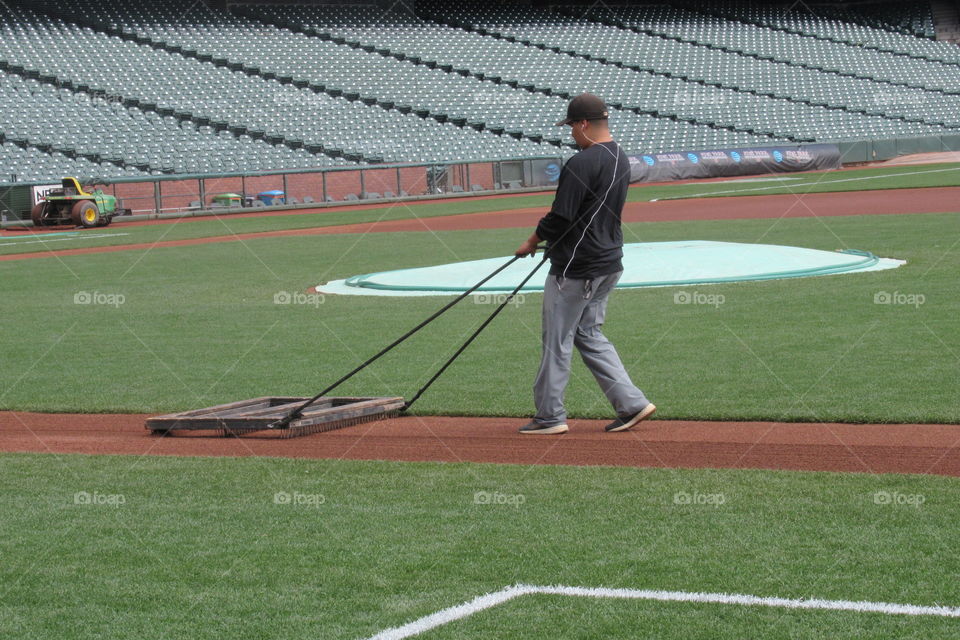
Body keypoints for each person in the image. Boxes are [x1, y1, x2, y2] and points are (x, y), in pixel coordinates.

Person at [514, 93, 655, 434]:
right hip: (609, 262)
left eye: (572, 128)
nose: (571, 135)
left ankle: (549, 416)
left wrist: (532, 241)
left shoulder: (581, 163)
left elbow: (561, 216)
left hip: (577, 267)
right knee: (588, 333)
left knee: (557, 339)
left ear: (583, 124)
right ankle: (632, 403)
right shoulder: (620, 157)